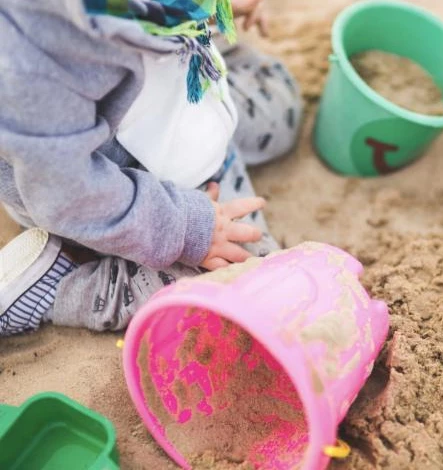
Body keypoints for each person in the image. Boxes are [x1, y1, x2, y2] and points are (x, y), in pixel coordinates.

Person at [0, 0, 303, 335]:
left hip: (178, 100)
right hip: (127, 195)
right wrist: (187, 229)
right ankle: (61, 286)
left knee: (282, 108)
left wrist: (210, 11)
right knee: (251, 283)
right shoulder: (28, 65)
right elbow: (69, 196)